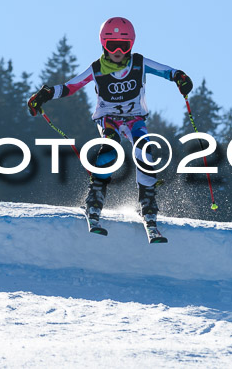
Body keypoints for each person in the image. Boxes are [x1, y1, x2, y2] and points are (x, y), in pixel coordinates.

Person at [27, 17, 193, 230]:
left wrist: (180, 77)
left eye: (123, 46)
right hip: (109, 119)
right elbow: (71, 87)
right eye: (111, 45)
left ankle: (148, 201)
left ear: (130, 45)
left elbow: (168, 71)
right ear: (103, 44)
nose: (117, 51)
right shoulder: (97, 69)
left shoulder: (139, 63)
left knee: (145, 149)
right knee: (110, 149)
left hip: (135, 118)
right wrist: (46, 94)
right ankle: (95, 197)